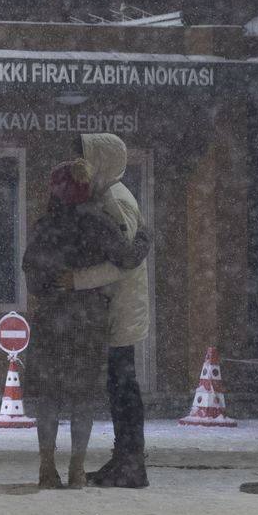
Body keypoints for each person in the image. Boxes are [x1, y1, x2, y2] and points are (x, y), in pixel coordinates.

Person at [23, 159, 151, 489]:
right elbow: (126, 259)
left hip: (52, 318)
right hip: (89, 321)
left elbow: (33, 278)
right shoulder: (100, 224)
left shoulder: (45, 227)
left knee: (49, 397)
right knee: (83, 397)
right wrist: (145, 237)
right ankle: (77, 468)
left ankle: (46, 467)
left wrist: (51, 288)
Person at [58, 133, 151, 488]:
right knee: (119, 385)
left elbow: (124, 261)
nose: (80, 165)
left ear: (102, 160)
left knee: (123, 386)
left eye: (86, 157)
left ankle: (131, 463)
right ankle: (126, 460)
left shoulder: (115, 198)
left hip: (122, 306)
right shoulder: (108, 194)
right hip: (120, 304)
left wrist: (77, 280)